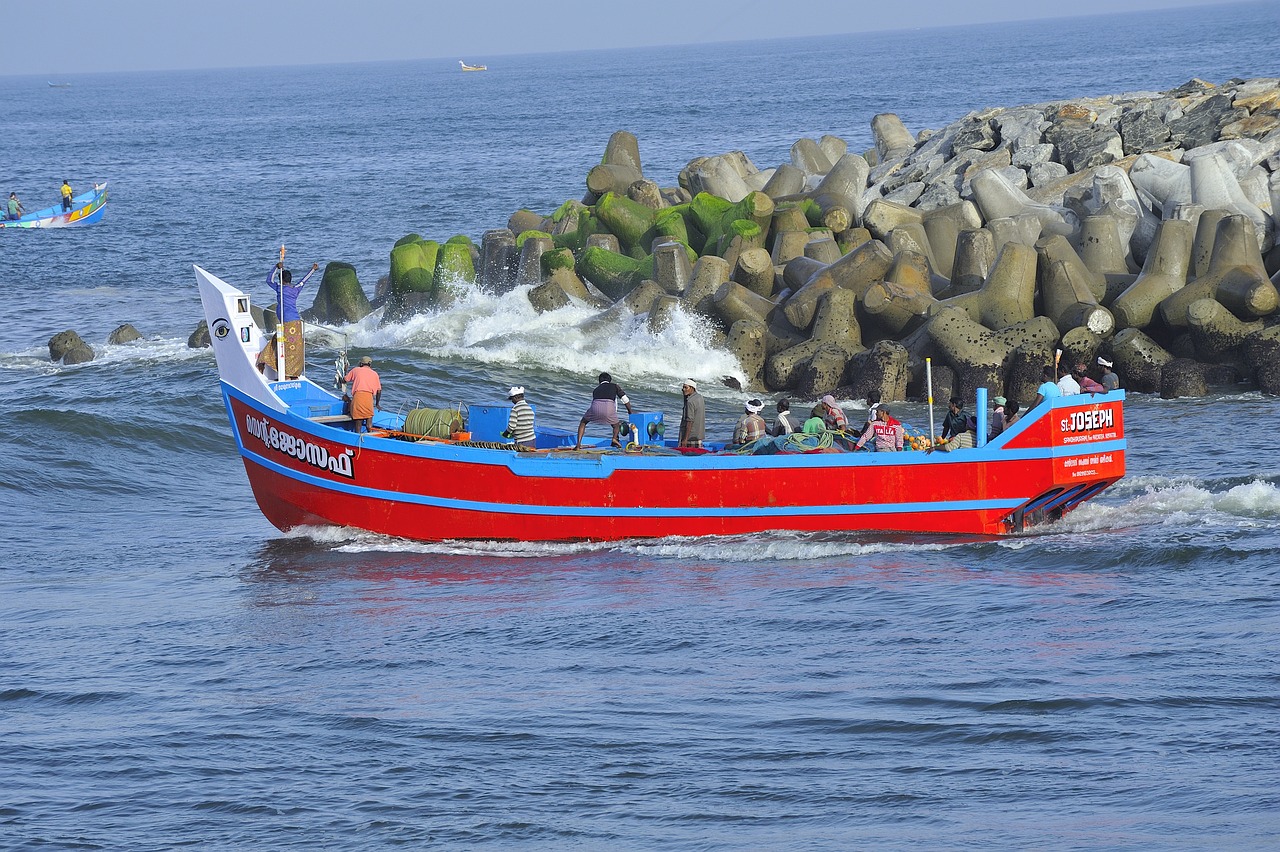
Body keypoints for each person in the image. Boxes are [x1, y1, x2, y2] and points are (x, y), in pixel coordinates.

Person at [256, 261, 319, 379]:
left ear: (281, 280)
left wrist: (275, 267)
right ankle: (291, 374)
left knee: (285, 347)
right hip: (296, 322)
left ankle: (286, 374)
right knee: (293, 350)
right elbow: (304, 280)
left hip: (288, 323)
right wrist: (313, 270)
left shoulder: (280, 288)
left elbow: (269, 280)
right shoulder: (295, 288)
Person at [576, 371, 633, 449]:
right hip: (609, 408)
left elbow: (595, 402)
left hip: (595, 408)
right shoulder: (615, 386)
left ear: (599, 381)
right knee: (616, 425)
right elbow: (625, 400)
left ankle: (578, 444)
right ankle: (614, 439)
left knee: (583, 422)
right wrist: (630, 412)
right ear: (610, 380)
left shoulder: (596, 389)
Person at [343, 355, 382, 434]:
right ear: (370, 365)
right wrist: (377, 404)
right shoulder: (375, 374)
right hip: (369, 399)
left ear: (361, 364)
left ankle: (358, 440)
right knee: (369, 424)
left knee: (358, 425)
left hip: (359, 397)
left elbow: (345, 380)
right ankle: (370, 438)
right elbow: (379, 391)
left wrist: (345, 370)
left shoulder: (356, 370)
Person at [678, 378, 705, 448]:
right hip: (698, 436)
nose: (683, 389)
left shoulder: (690, 402)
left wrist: (685, 439)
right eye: (683, 388)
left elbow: (689, 421)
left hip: (690, 438)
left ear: (692, 388)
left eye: (686, 387)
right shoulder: (700, 397)